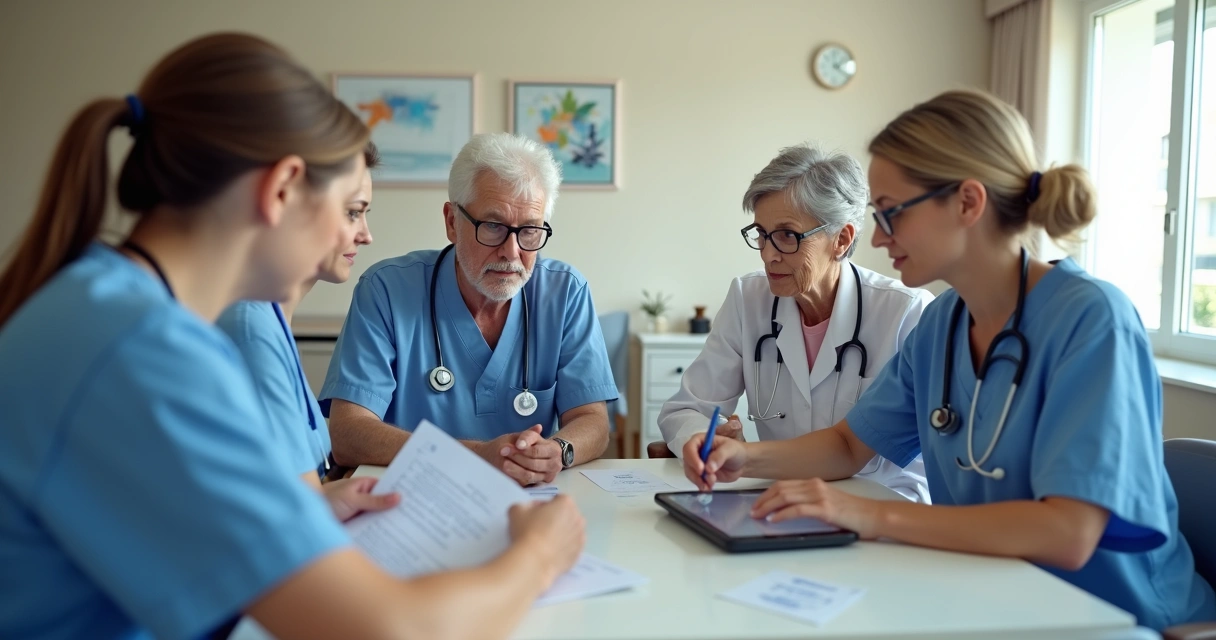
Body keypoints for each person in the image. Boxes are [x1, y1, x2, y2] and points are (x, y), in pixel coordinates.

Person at [0, 33, 584, 640]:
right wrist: (540, 554)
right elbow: (395, 630)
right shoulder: (144, 353)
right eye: (348, 208)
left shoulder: (103, 304)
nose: (361, 234)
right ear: (281, 190)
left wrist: (304, 512)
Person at [683, 89, 1216, 630]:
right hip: (992, 592)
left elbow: (1068, 533)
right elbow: (848, 445)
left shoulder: (1091, 319)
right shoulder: (942, 325)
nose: (878, 236)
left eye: (891, 213)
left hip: (1115, 614)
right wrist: (744, 461)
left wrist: (868, 514)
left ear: (967, 202)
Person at [320, 132, 618, 486]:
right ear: (451, 222)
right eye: (493, 227)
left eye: (530, 231)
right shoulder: (386, 289)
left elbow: (593, 420)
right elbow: (348, 433)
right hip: (410, 500)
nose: (511, 252)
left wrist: (558, 449)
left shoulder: (565, 293)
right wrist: (478, 457)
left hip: (527, 501)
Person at [658, 143, 932, 501]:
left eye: (787, 235)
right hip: (779, 504)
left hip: (877, 510)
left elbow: (917, 469)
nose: (768, 254)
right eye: (761, 234)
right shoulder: (748, 298)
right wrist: (704, 440)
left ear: (842, 239)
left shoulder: (906, 314)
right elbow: (688, 407)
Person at [216, 142, 378, 485]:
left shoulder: (270, 318)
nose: (366, 235)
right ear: (287, 202)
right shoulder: (250, 331)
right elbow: (303, 518)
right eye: (352, 212)